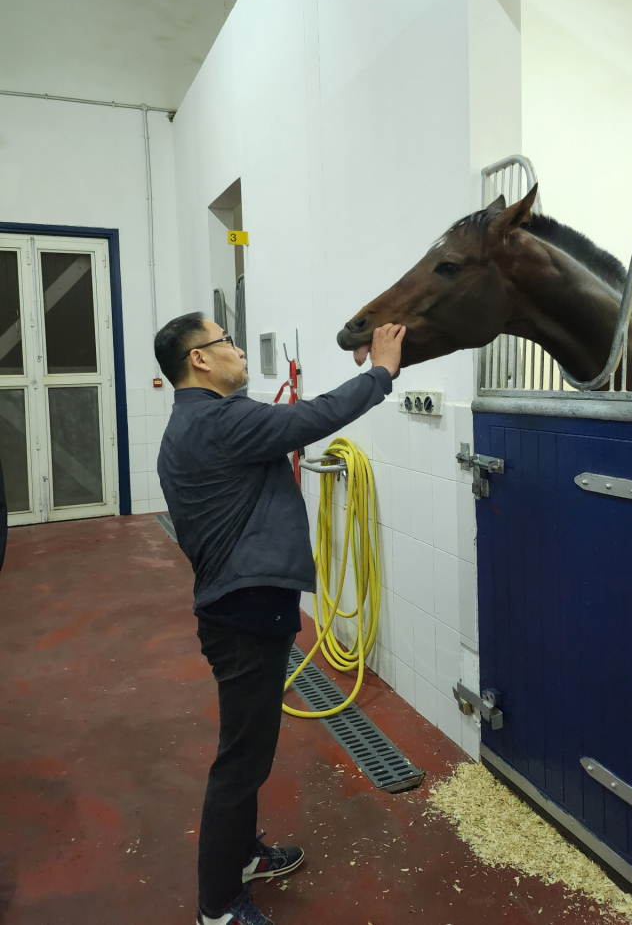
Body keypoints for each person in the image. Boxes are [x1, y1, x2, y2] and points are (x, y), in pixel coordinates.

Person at [154, 313, 404, 925]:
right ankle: (217, 907)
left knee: (250, 751)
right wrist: (381, 374)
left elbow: (286, 424)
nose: (238, 350)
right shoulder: (218, 421)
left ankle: (242, 858)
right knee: (241, 761)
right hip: (243, 614)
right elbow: (308, 419)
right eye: (226, 342)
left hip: (240, 608)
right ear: (200, 361)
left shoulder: (197, 421)